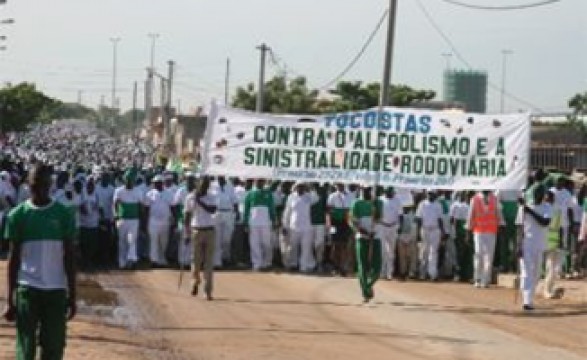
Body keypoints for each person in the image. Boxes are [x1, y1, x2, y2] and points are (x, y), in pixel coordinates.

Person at [2, 163, 77, 360]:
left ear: (50, 184)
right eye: (35, 185)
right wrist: (9, 299)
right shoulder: (17, 216)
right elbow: (13, 259)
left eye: (44, 184)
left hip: (56, 291)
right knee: (25, 349)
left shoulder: (63, 215)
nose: (40, 189)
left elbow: (69, 258)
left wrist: (72, 294)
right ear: (28, 184)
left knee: (53, 348)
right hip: (27, 290)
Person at [516, 185, 552, 311]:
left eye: (540, 193)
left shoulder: (547, 207)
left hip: (540, 245)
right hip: (527, 244)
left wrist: (529, 210)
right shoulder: (523, 208)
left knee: (536, 274)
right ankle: (527, 301)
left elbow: (545, 222)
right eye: (536, 193)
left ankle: (527, 295)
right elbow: (519, 228)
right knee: (527, 273)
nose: (538, 195)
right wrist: (518, 245)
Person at [184, 176, 217, 300]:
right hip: (196, 230)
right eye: (202, 184)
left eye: (206, 185)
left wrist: (200, 202)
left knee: (209, 263)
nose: (204, 187)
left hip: (209, 230)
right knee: (196, 262)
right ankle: (195, 282)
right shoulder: (189, 197)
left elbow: (212, 210)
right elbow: (187, 216)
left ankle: (208, 291)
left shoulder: (211, 196)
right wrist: (186, 233)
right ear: (198, 184)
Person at [351, 186, 381, 302]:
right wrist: (361, 230)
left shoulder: (378, 202)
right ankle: (365, 292)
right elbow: (353, 220)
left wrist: (375, 208)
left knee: (377, 267)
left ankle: (368, 285)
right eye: (364, 189)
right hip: (362, 237)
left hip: (376, 237)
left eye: (368, 189)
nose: (366, 192)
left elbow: (379, 217)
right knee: (362, 265)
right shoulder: (356, 203)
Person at [467, 190, 503, 288]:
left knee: (489, 256)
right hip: (478, 231)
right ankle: (477, 278)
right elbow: (470, 216)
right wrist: (468, 231)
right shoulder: (474, 199)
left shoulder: (494, 199)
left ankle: (486, 280)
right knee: (478, 254)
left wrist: (501, 227)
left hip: (491, 231)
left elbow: (498, 215)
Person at [282, 183, 319, 272]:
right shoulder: (291, 197)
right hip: (293, 226)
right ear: (295, 188)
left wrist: (311, 188)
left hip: (306, 226)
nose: (301, 188)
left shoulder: (309, 196)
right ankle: (293, 264)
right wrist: (285, 225)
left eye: (303, 187)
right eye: (299, 187)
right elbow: (287, 212)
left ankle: (304, 266)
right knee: (293, 247)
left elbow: (316, 199)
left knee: (306, 247)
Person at [243, 179, 276, 271]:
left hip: (266, 222)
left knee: (267, 243)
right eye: (258, 181)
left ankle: (267, 262)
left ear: (264, 182)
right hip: (253, 222)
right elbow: (246, 210)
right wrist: (245, 223)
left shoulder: (268, 193)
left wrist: (274, 220)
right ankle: (257, 264)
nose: (260, 183)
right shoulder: (250, 194)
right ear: (255, 182)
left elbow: (272, 208)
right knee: (254, 243)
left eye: (262, 181)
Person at [113, 170, 142, 269]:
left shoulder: (138, 191)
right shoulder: (119, 190)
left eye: (131, 180)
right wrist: (116, 215)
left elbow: (140, 206)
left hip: (134, 220)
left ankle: (131, 260)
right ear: (124, 180)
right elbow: (115, 204)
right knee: (122, 241)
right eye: (127, 180)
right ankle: (122, 262)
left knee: (131, 240)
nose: (129, 182)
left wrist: (141, 219)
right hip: (122, 219)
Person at [144, 175, 174, 267]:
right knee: (154, 241)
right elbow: (146, 208)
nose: (156, 184)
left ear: (162, 183)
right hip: (153, 221)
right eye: (155, 183)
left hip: (165, 221)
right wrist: (145, 221)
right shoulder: (149, 194)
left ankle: (162, 259)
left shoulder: (169, 193)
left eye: (158, 183)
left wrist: (174, 219)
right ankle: (154, 260)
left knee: (164, 241)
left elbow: (173, 207)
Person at [416, 190, 446, 281]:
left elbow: (440, 219)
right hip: (424, 229)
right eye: (429, 194)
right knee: (424, 252)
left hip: (435, 230)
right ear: (427, 194)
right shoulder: (422, 204)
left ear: (435, 195)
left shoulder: (438, 205)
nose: (430, 195)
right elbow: (419, 219)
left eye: (432, 194)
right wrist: (418, 232)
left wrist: (443, 231)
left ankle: (432, 274)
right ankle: (422, 273)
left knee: (433, 252)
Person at [212, 176, 238, 268]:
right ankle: (217, 261)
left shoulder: (230, 186)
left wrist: (236, 213)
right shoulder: (212, 185)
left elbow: (235, 201)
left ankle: (225, 257)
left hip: (228, 213)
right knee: (216, 238)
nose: (220, 178)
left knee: (227, 239)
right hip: (217, 213)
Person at [378, 187, 403, 280]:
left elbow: (400, 214)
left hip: (393, 226)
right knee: (382, 251)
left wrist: (400, 226)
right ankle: (382, 272)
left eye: (393, 192)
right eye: (390, 192)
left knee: (391, 251)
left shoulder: (397, 200)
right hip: (382, 226)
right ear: (386, 192)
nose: (392, 193)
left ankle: (389, 273)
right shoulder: (380, 199)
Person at [327, 183, 352, 276]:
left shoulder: (350, 196)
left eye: (341, 184)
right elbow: (329, 210)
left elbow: (351, 210)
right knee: (335, 245)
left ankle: (343, 267)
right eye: (338, 184)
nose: (340, 186)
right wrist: (329, 224)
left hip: (346, 223)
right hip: (334, 223)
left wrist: (346, 213)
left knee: (345, 245)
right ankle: (335, 266)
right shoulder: (332, 196)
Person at [450, 192, 473, 282]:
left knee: (468, 253)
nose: (465, 196)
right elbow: (452, 220)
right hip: (459, 230)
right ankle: (458, 274)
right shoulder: (455, 205)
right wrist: (454, 232)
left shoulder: (470, 205)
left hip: (468, 229)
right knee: (459, 253)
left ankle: (467, 274)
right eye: (463, 194)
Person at [79, 177, 100, 271]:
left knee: (93, 244)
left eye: (91, 186)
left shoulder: (96, 195)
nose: (90, 188)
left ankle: (89, 260)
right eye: (88, 186)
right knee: (83, 244)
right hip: (83, 224)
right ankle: (84, 261)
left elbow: (99, 206)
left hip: (93, 223)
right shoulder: (82, 195)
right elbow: (80, 207)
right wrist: (85, 210)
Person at [544, 190, 563, 299]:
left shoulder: (556, 211)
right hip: (547, 241)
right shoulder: (554, 210)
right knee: (551, 267)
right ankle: (547, 290)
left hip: (552, 241)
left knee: (553, 268)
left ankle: (548, 289)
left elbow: (559, 227)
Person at [397, 205, 418, 280]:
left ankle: (412, 272)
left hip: (411, 236)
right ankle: (403, 272)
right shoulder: (399, 215)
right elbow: (398, 227)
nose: (406, 208)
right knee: (402, 256)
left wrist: (414, 237)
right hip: (401, 236)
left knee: (412, 256)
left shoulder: (413, 215)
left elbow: (415, 226)